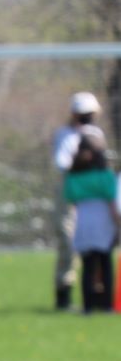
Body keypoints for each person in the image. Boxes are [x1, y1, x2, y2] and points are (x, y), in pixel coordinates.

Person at [53, 92, 108, 311]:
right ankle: (63, 294)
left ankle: (96, 297)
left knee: (95, 246)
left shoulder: (96, 133)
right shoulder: (65, 135)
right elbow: (62, 163)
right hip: (71, 192)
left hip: (93, 197)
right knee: (68, 242)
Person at [64, 128, 118, 313]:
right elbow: (112, 202)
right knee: (105, 264)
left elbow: (71, 199)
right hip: (103, 221)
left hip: (83, 221)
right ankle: (106, 305)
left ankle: (87, 306)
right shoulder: (106, 175)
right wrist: (118, 223)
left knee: (88, 266)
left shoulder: (73, 177)